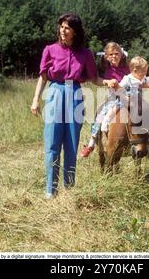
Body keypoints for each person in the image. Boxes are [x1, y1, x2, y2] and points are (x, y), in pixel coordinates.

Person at [30, 13, 111, 199]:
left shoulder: (85, 53)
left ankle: (69, 188)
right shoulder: (50, 49)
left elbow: (94, 78)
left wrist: (108, 82)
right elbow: (43, 77)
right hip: (55, 92)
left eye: (67, 27)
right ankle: (51, 190)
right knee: (52, 142)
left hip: (75, 94)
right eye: (61, 27)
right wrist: (36, 100)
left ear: (75, 31)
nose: (63, 30)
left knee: (72, 143)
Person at [105, 56, 149, 163]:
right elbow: (119, 87)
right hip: (125, 102)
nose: (145, 74)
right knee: (111, 112)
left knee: (146, 124)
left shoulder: (143, 79)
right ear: (135, 70)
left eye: (145, 71)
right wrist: (115, 85)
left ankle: (148, 148)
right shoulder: (128, 78)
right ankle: (105, 126)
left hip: (139, 105)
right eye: (143, 71)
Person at [80, 42, 130, 158]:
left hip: (128, 98)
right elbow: (105, 83)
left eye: (117, 53)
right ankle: (91, 144)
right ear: (107, 57)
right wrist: (109, 83)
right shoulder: (108, 70)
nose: (114, 56)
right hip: (114, 99)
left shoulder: (127, 68)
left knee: (143, 113)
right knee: (99, 117)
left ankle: (146, 145)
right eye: (111, 54)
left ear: (121, 54)